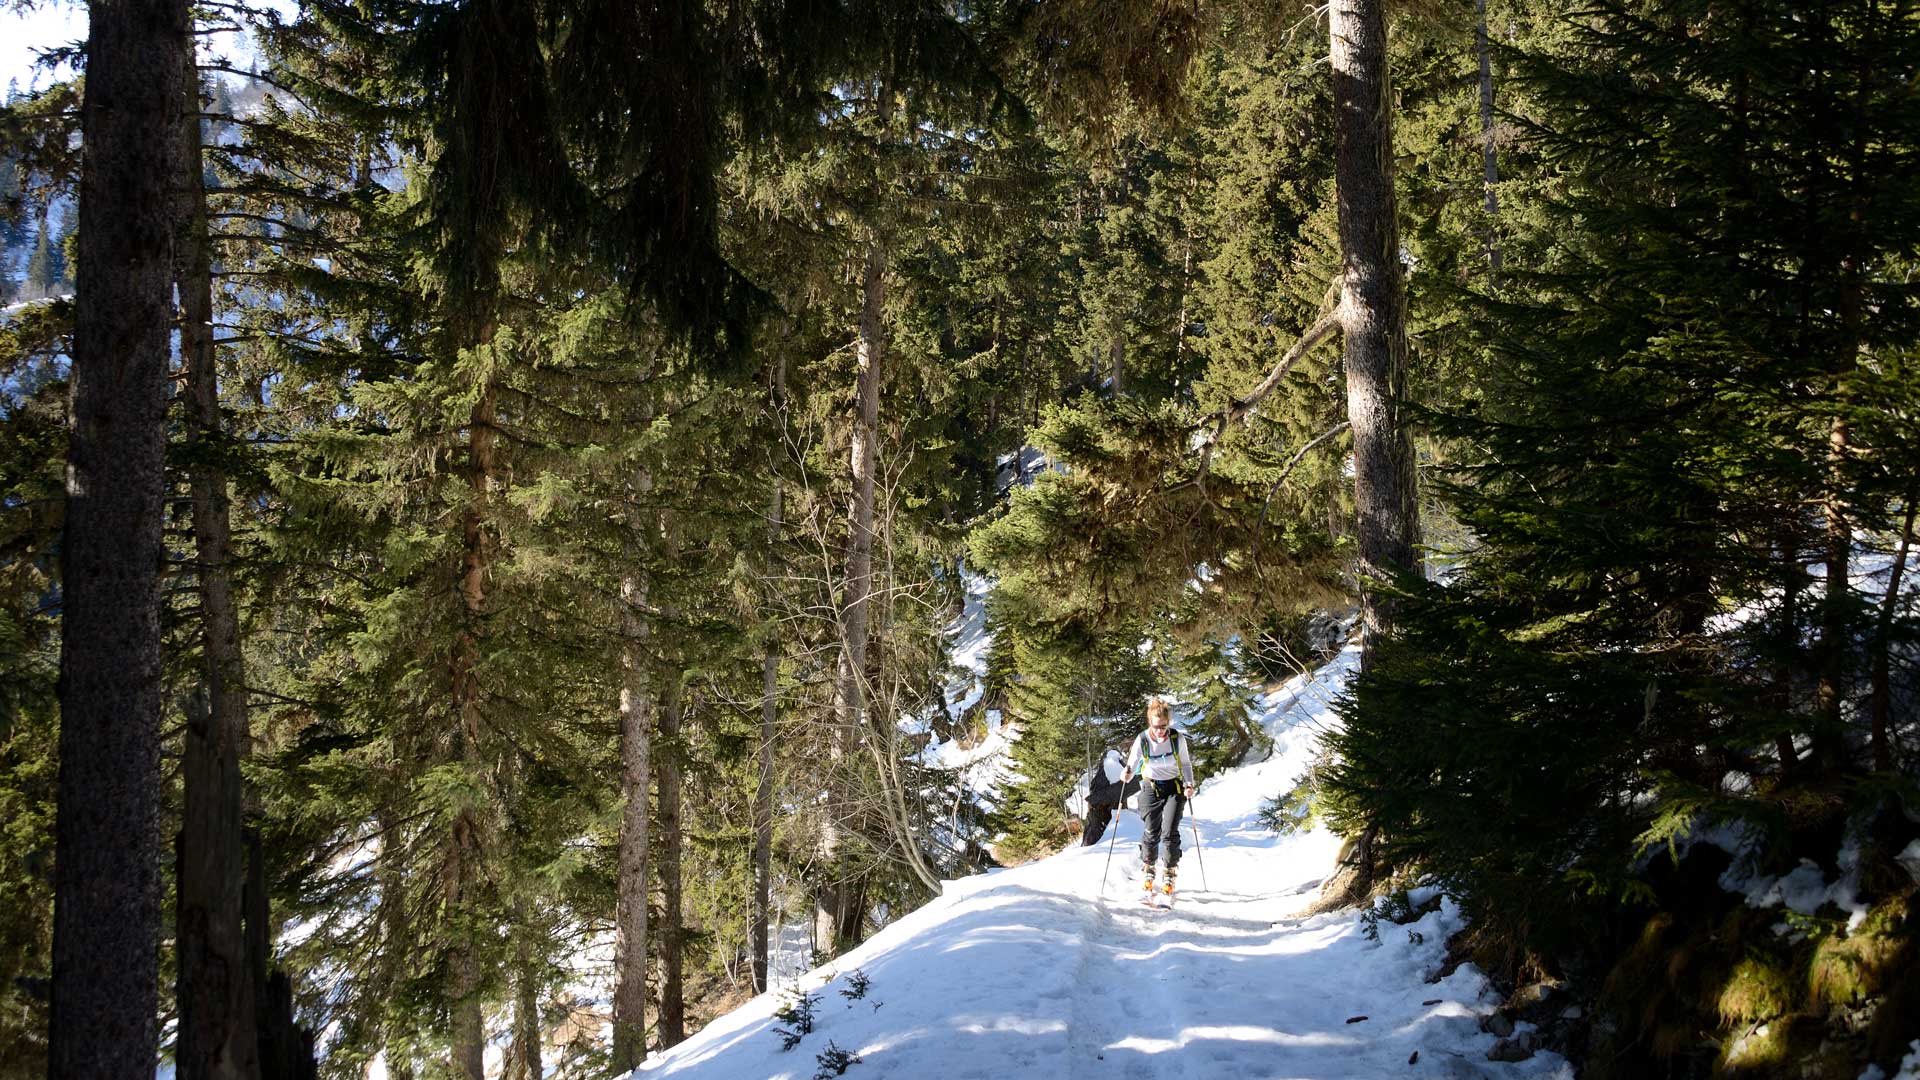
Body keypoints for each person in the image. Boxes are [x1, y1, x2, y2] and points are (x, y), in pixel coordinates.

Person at [1121, 697, 1196, 903]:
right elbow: (1133, 762)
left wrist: (1189, 784)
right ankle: (1148, 868)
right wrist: (1126, 773)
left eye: (1164, 726)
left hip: (1174, 787)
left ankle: (1170, 873)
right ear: (1150, 723)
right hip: (1150, 786)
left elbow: (1187, 764)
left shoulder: (1176, 738)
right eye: (1156, 726)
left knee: (1169, 831)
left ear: (1168, 722)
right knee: (1151, 830)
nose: (1160, 730)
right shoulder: (1143, 739)